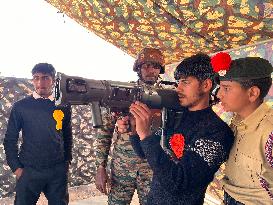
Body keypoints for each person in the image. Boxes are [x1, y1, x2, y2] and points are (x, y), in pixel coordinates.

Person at [124, 53, 234, 205]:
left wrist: (146, 136)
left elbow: (178, 183)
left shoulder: (217, 132)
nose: (178, 88)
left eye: (185, 82)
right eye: (178, 82)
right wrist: (135, 132)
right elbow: (145, 153)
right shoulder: (174, 116)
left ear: (206, 85)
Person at [94, 48, 165, 205]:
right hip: (122, 168)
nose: (151, 70)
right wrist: (100, 166)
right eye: (146, 66)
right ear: (138, 68)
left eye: (155, 66)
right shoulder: (122, 93)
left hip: (152, 169)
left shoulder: (168, 96)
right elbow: (104, 134)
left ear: (160, 69)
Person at [4, 63, 72, 205]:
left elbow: (67, 135)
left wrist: (66, 162)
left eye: (46, 78)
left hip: (57, 171)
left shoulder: (63, 106)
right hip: (29, 170)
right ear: (33, 80)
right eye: (36, 78)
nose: (41, 82)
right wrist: (16, 168)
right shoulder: (21, 107)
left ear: (53, 80)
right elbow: (10, 139)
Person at [214, 54, 273, 204]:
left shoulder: (269, 131)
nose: (219, 94)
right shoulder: (237, 120)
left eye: (226, 88)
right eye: (220, 88)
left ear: (252, 93)